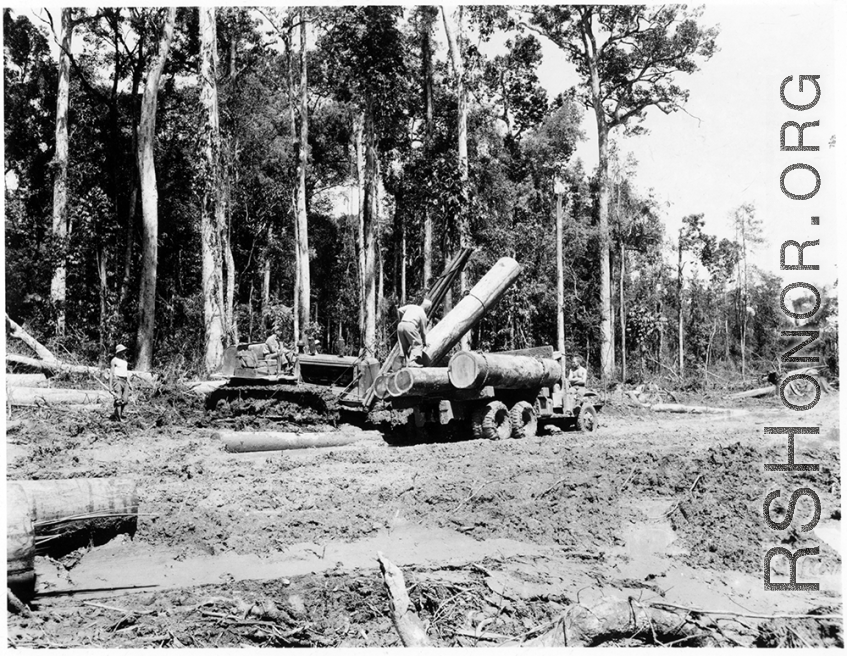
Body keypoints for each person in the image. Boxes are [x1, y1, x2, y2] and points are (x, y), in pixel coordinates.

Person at [397, 298, 432, 367]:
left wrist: (401, 319)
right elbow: (423, 332)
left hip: (400, 325)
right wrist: (424, 342)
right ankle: (412, 362)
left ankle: (403, 363)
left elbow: (399, 310)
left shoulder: (411, 306)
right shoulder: (423, 314)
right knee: (418, 344)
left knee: (404, 346)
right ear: (428, 308)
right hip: (410, 325)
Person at [109, 344, 132, 422]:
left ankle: (118, 414)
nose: (123, 353)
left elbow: (126, 372)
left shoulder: (124, 361)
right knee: (119, 399)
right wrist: (110, 386)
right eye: (122, 351)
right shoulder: (114, 360)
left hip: (125, 380)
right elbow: (111, 373)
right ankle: (119, 418)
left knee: (125, 400)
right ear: (118, 352)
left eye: (124, 351)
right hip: (117, 380)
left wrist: (129, 382)